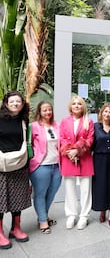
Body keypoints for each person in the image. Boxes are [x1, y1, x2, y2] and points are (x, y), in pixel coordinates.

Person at [0, 91, 31, 249]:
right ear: (6, 103)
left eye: (18, 101)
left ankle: (16, 228)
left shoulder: (23, 120)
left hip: (19, 164)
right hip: (1, 166)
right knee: (1, 200)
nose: (15, 104)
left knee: (18, 198)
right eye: (12, 101)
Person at [59, 96, 94, 230]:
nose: (77, 106)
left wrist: (78, 149)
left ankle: (84, 216)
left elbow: (90, 139)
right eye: (74, 104)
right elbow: (61, 138)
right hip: (68, 158)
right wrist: (69, 150)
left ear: (83, 106)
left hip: (84, 157)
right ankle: (71, 214)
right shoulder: (64, 121)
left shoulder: (88, 121)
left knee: (86, 189)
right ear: (70, 107)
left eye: (79, 104)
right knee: (69, 188)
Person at [29, 101, 62, 234]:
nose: (48, 112)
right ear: (39, 112)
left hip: (57, 165)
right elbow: (29, 144)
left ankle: (43, 216)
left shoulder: (57, 125)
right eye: (44, 110)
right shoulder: (34, 126)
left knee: (52, 192)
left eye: (49, 109)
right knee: (40, 194)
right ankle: (43, 220)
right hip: (41, 165)